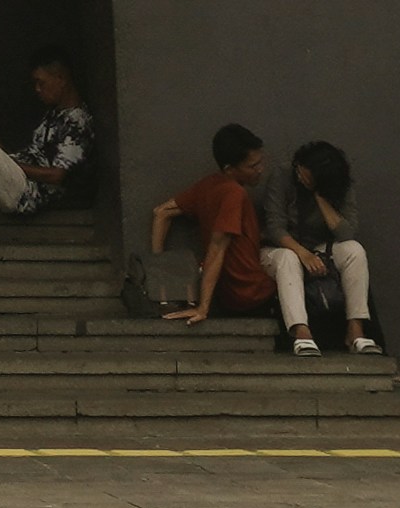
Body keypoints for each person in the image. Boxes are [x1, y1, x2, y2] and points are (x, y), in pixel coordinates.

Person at [0, 48, 95, 242]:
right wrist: (3, 156)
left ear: (61, 79)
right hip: (17, 174)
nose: (37, 89)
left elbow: (58, 175)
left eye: (41, 83)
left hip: (28, 194)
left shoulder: (77, 121)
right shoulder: (54, 112)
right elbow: (32, 153)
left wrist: (9, 164)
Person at [265, 137, 385, 355]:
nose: (299, 174)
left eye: (306, 173)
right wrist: (303, 254)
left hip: (321, 247)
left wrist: (319, 196)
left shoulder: (340, 185)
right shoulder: (282, 175)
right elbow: (275, 227)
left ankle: (355, 331)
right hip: (281, 249)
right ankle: (301, 333)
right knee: (288, 258)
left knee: (354, 250)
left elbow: (346, 232)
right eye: (299, 169)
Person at [149, 123, 268, 326]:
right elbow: (217, 247)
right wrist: (203, 307)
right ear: (230, 169)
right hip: (252, 293)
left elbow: (161, 213)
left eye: (260, 163)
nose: (260, 170)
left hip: (230, 293)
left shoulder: (209, 185)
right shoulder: (234, 193)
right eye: (252, 166)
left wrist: (159, 270)